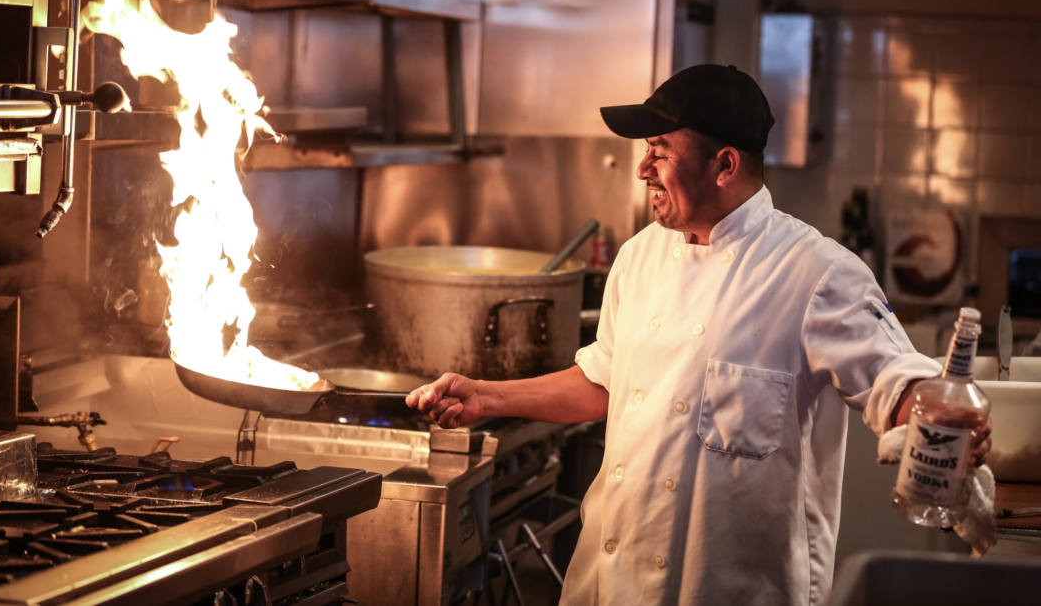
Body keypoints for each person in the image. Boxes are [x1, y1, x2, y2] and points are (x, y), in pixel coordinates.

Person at [406, 64, 991, 606]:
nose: (642, 168)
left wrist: (937, 412)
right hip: (609, 581)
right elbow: (605, 381)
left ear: (725, 165)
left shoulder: (814, 273)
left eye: (659, 151)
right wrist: (487, 397)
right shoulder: (639, 256)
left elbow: (897, 379)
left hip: (731, 589)